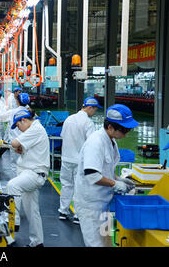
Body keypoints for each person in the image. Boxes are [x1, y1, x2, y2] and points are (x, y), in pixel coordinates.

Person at [74, 104, 138, 247]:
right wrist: (115, 184)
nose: (126, 134)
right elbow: (92, 175)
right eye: (124, 130)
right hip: (91, 205)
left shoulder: (111, 140)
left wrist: (118, 179)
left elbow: (106, 169)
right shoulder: (95, 143)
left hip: (104, 203)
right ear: (110, 127)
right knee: (96, 244)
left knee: (106, 242)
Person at [6, 109, 50, 247]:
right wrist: (19, 148)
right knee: (32, 211)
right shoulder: (34, 130)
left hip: (33, 174)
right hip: (30, 172)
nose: (19, 129)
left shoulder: (35, 129)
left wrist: (14, 145)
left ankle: (13, 224)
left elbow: (14, 143)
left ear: (24, 120)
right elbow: (21, 148)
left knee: (12, 186)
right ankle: (37, 242)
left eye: (18, 126)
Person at [58, 97, 101, 224]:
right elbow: (91, 143)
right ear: (90, 107)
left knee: (66, 185)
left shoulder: (69, 119)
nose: (94, 112)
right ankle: (78, 215)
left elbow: (62, 136)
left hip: (66, 158)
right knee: (79, 187)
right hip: (79, 161)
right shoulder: (88, 123)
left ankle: (63, 211)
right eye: (95, 109)